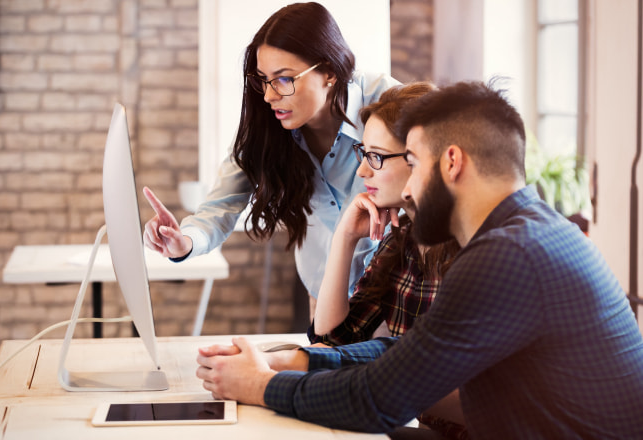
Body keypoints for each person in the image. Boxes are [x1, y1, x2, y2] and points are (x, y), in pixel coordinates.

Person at [195, 80, 643, 439]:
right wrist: (300, 361)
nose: (407, 190)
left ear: (452, 162)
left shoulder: (509, 255)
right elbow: (409, 355)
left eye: (412, 161)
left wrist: (259, 385)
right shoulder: (527, 231)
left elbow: (379, 400)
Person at [142, 2, 400, 315]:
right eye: (264, 79)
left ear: (329, 72)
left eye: (284, 79)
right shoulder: (268, 132)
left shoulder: (387, 101)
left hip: (395, 291)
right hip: (325, 297)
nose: (269, 95)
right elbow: (220, 206)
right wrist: (184, 241)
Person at [310, 82, 459, 346]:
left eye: (377, 156)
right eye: (364, 153)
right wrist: (344, 239)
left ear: (421, 159)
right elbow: (331, 340)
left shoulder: (468, 248)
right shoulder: (399, 243)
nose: (362, 171)